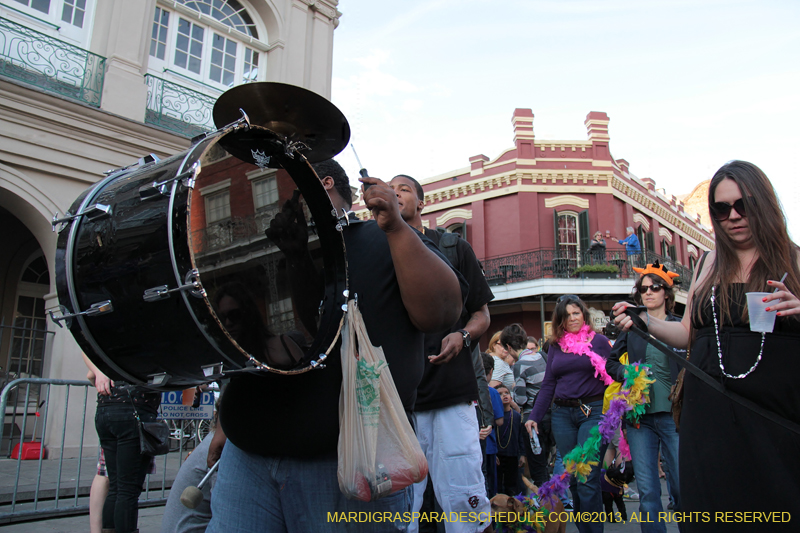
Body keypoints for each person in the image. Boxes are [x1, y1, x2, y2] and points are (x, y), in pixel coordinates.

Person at [206, 159, 463, 533]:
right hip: (248, 457)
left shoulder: (384, 236)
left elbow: (442, 312)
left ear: (321, 183)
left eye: (287, 186)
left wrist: (395, 227)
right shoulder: (282, 249)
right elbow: (278, 340)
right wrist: (224, 425)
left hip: (350, 463)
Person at [613, 160, 800, 531]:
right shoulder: (709, 263)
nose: (733, 216)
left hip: (772, 417)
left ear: (763, 203)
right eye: (721, 208)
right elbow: (687, 333)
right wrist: (645, 322)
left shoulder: (793, 259)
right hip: (708, 412)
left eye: (743, 205)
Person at [389, 174, 494, 533]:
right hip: (400, 402)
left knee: (464, 500)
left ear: (421, 203)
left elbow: (482, 314)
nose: (394, 193)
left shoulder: (452, 247)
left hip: (451, 394)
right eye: (389, 189)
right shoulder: (379, 254)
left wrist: (462, 336)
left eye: (402, 189)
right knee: (400, 509)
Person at [606, 262, 683, 532]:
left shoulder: (680, 328)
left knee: (680, 485)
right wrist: (627, 371)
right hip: (640, 419)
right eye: (643, 288)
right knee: (649, 491)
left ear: (666, 293)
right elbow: (610, 363)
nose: (648, 292)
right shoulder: (632, 327)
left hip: (674, 416)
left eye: (655, 287)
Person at [525, 295, 612, 533]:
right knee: (573, 479)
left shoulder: (600, 341)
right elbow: (548, 384)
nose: (572, 318)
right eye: (567, 315)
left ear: (583, 315)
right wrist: (534, 415)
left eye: (576, 313)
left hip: (592, 413)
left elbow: (613, 376)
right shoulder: (556, 345)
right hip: (562, 415)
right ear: (560, 321)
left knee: (587, 478)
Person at [85, 353, 161, 533]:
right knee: (127, 491)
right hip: (134, 411)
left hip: (106, 410)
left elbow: (89, 372)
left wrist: (99, 373)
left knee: (116, 487)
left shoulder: (113, 343)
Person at [505, 324, 549, 488]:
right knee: (548, 464)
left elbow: (522, 399)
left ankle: (545, 506)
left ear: (509, 347)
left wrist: (514, 393)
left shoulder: (519, 365)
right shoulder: (543, 357)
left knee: (538, 468)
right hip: (550, 416)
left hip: (532, 419)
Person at [480, 353, 505, 499]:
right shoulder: (492, 392)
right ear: (491, 372)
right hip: (489, 445)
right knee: (489, 481)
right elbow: (500, 420)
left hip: (472, 444)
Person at [494, 385, 526, 496]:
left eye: (506, 393)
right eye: (500, 394)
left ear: (511, 397)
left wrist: (522, 454)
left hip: (512, 454)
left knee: (512, 485)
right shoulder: (494, 416)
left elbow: (520, 436)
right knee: (497, 485)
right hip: (498, 456)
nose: (504, 396)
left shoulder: (516, 416)